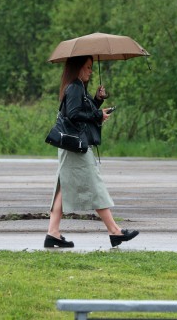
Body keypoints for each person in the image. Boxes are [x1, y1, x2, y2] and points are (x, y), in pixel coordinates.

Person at [44, 55, 139, 248]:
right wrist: (97, 114)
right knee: (94, 185)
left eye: (91, 67)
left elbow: (80, 113)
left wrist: (96, 100)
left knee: (63, 187)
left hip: (71, 147)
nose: (90, 71)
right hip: (76, 148)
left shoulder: (77, 87)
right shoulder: (75, 87)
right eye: (87, 67)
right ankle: (114, 231)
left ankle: (52, 233)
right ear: (77, 68)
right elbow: (74, 114)